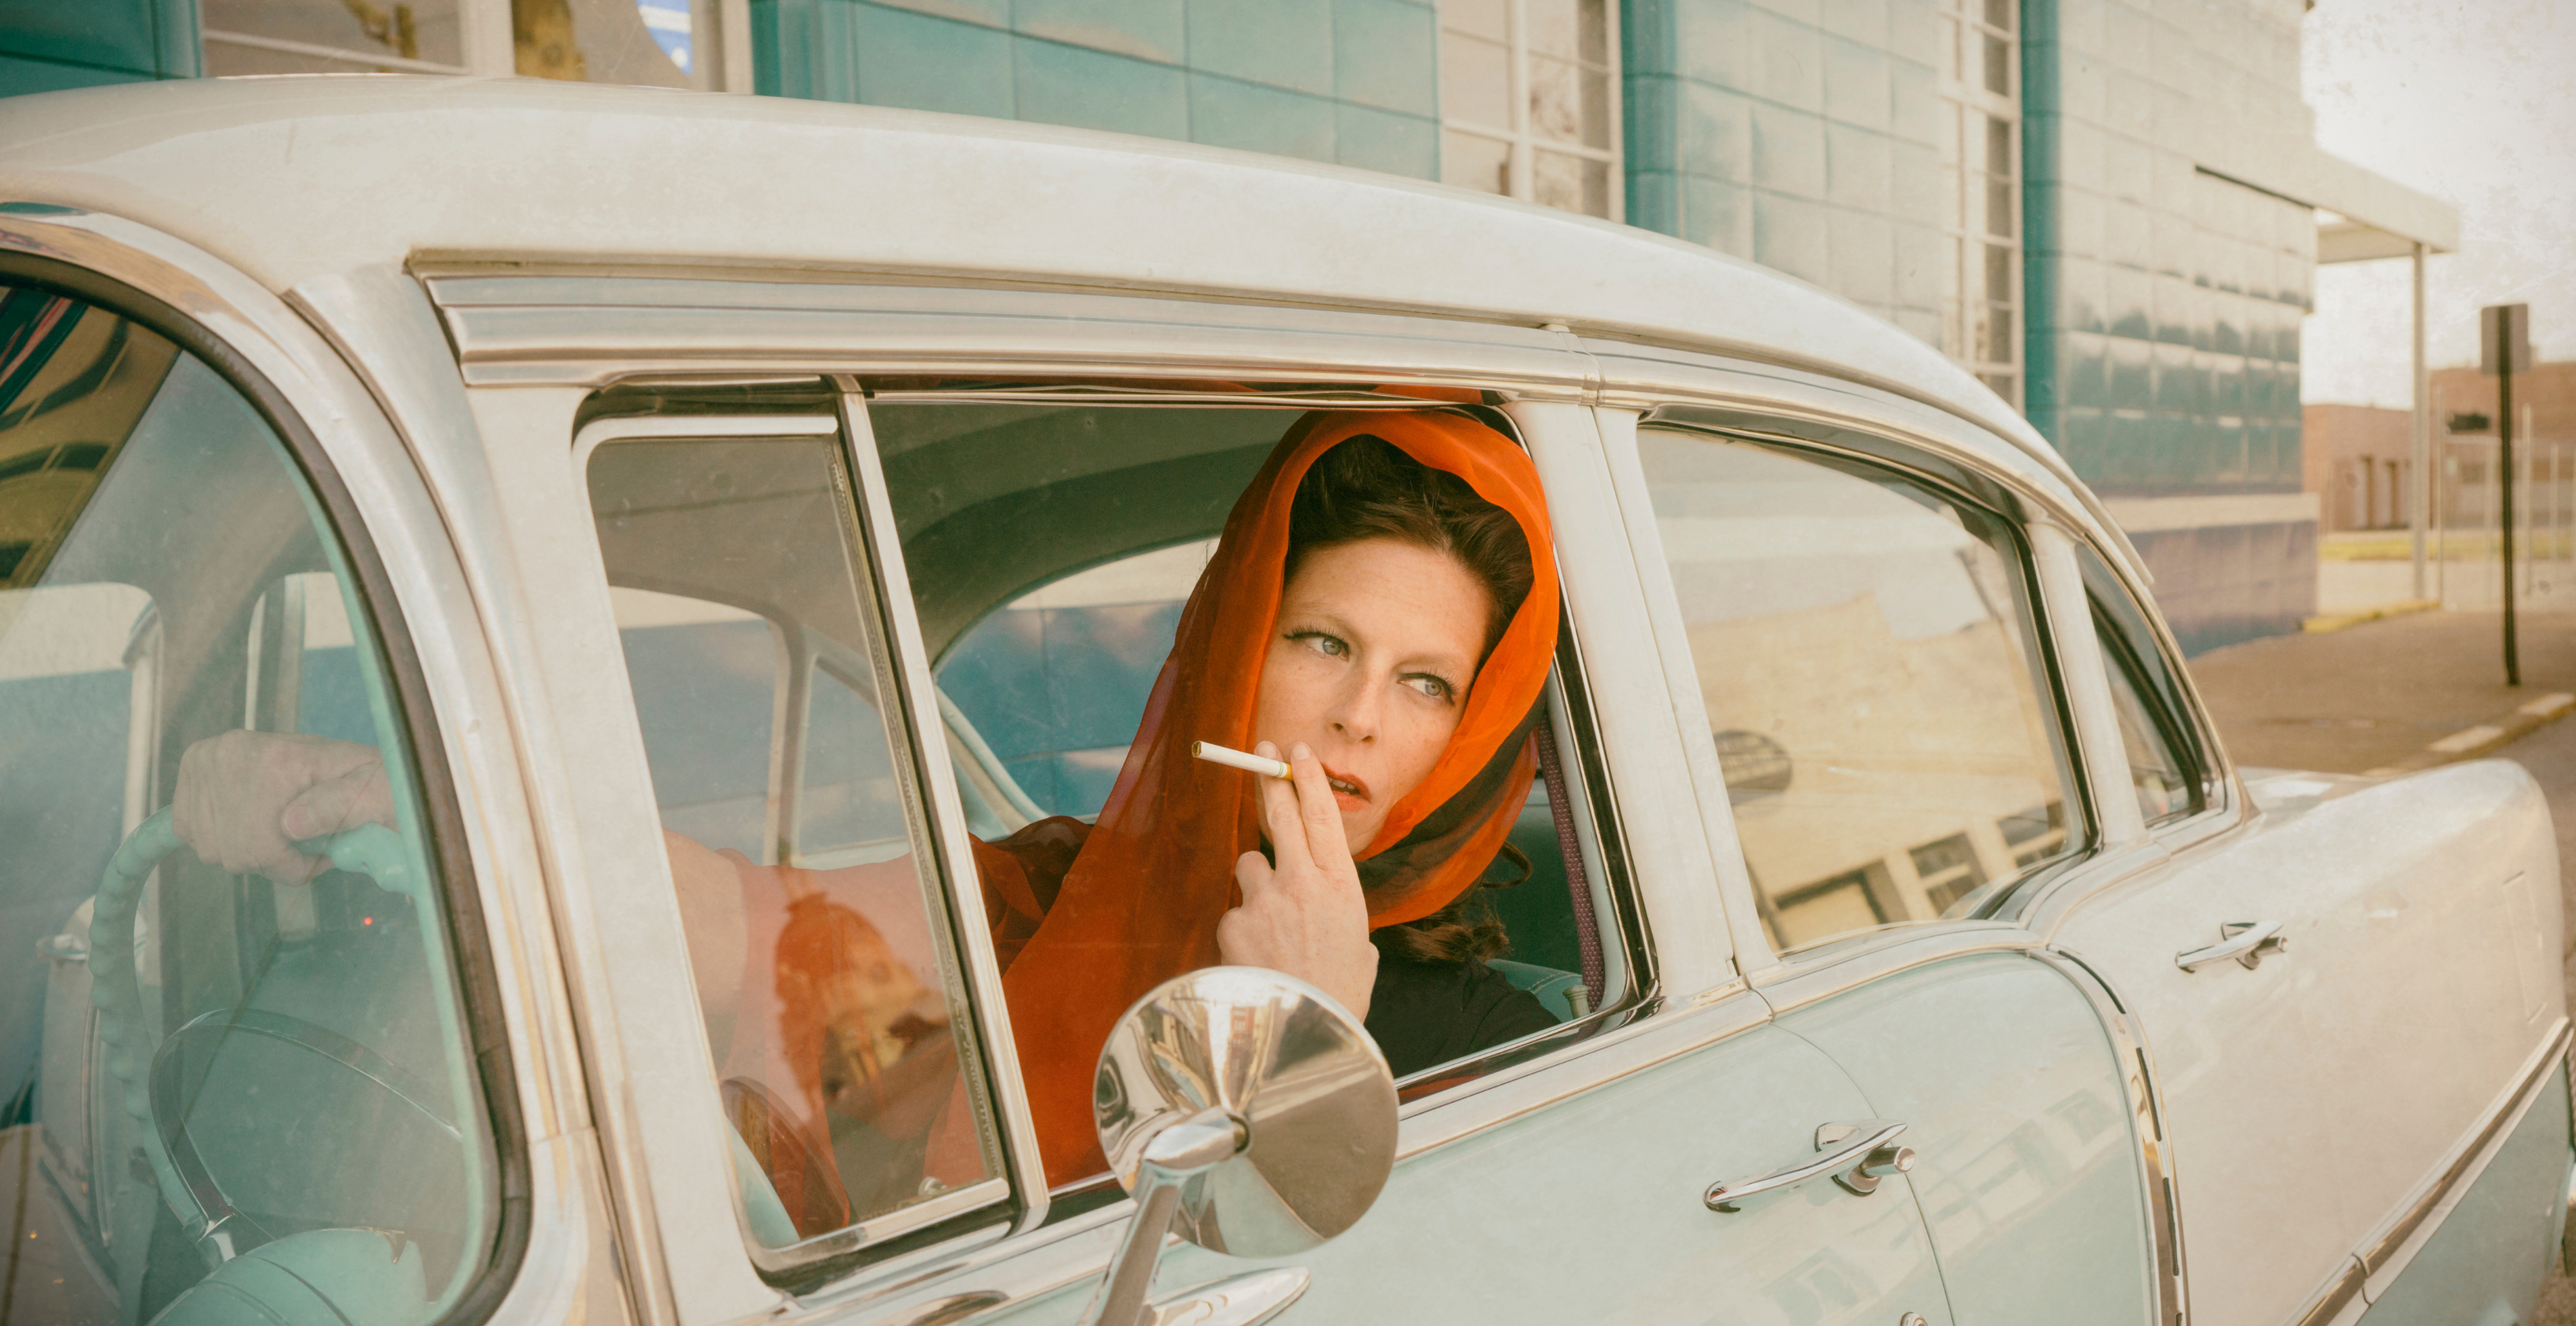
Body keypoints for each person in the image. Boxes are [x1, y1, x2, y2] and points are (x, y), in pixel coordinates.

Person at [169, 408, 1564, 1223]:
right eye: (1321, 642)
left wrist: (1300, 1024)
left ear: (1473, 728)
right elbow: (749, 925)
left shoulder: (1505, 1038)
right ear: (1234, 641)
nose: (1360, 717)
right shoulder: (1046, 881)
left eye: (1426, 682)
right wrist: (381, 789)